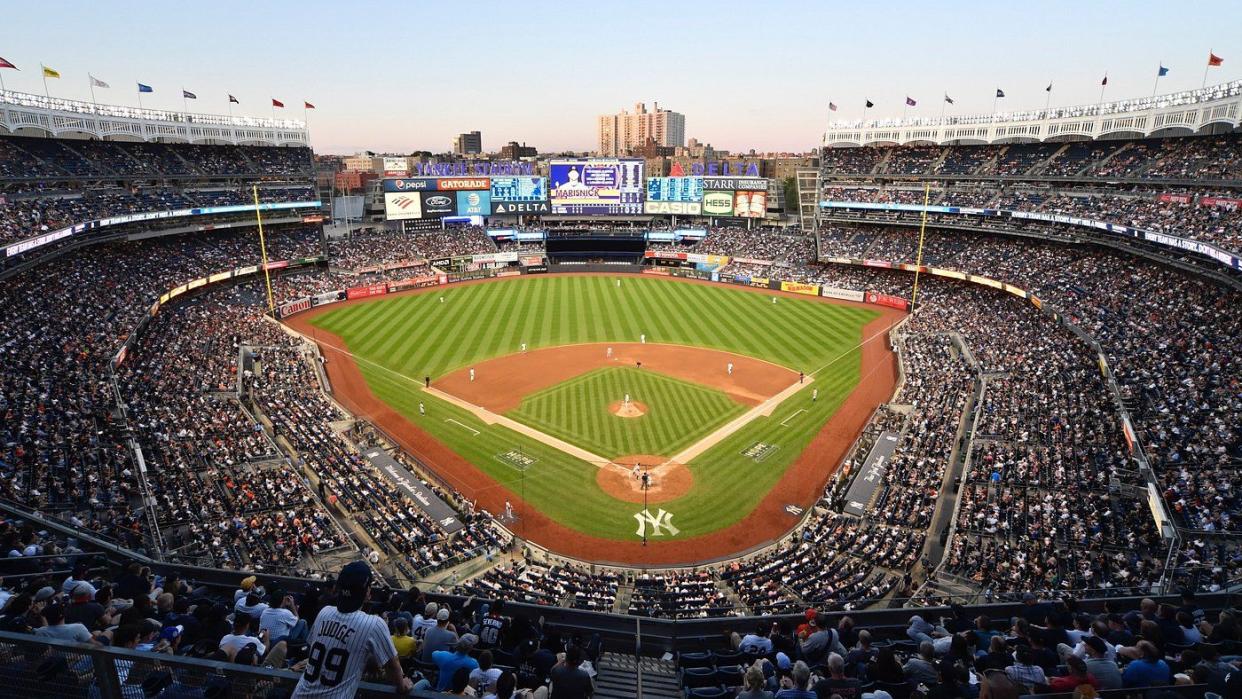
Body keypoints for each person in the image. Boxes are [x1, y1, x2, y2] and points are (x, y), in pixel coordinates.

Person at [291, 561, 412, 697]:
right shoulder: (374, 623)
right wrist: (402, 685)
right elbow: (392, 665)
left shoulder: (324, 612)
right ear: (367, 591)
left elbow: (316, 648)